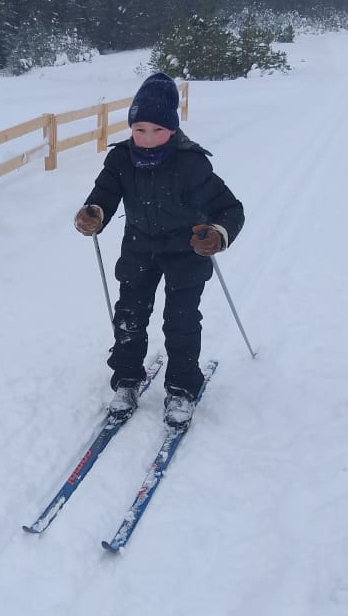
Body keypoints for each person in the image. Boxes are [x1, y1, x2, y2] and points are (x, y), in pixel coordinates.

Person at [74, 71, 244, 427]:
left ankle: (181, 387)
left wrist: (216, 233)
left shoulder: (191, 163)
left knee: (181, 320)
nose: (147, 139)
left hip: (185, 249)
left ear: (173, 129)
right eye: (139, 130)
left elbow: (230, 209)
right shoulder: (121, 159)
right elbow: (103, 194)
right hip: (139, 246)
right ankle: (126, 380)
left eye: (158, 130)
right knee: (129, 316)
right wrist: (94, 213)